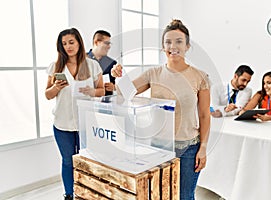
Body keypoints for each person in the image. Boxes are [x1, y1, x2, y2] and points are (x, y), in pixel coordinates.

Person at [111, 19, 211, 200]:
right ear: (163, 47)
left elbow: (204, 115)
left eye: (179, 41)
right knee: (158, 194)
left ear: (187, 46)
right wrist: (117, 75)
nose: (173, 46)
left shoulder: (200, 76)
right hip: (158, 146)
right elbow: (125, 93)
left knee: (184, 196)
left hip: (188, 148)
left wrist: (203, 148)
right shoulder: (153, 73)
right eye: (168, 42)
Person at [45, 28, 105, 200]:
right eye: (64, 44)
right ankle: (69, 195)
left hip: (86, 124)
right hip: (62, 125)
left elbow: (102, 91)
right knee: (67, 161)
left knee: (86, 162)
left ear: (79, 42)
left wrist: (91, 91)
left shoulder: (92, 65)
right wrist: (56, 87)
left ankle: (88, 193)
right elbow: (47, 95)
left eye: (71, 42)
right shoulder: (55, 67)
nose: (68, 47)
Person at [87, 30, 117, 96]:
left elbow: (118, 85)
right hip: (85, 101)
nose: (109, 46)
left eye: (110, 43)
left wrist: (113, 87)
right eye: (106, 43)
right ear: (96, 42)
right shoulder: (82, 60)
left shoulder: (112, 63)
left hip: (106, 103)